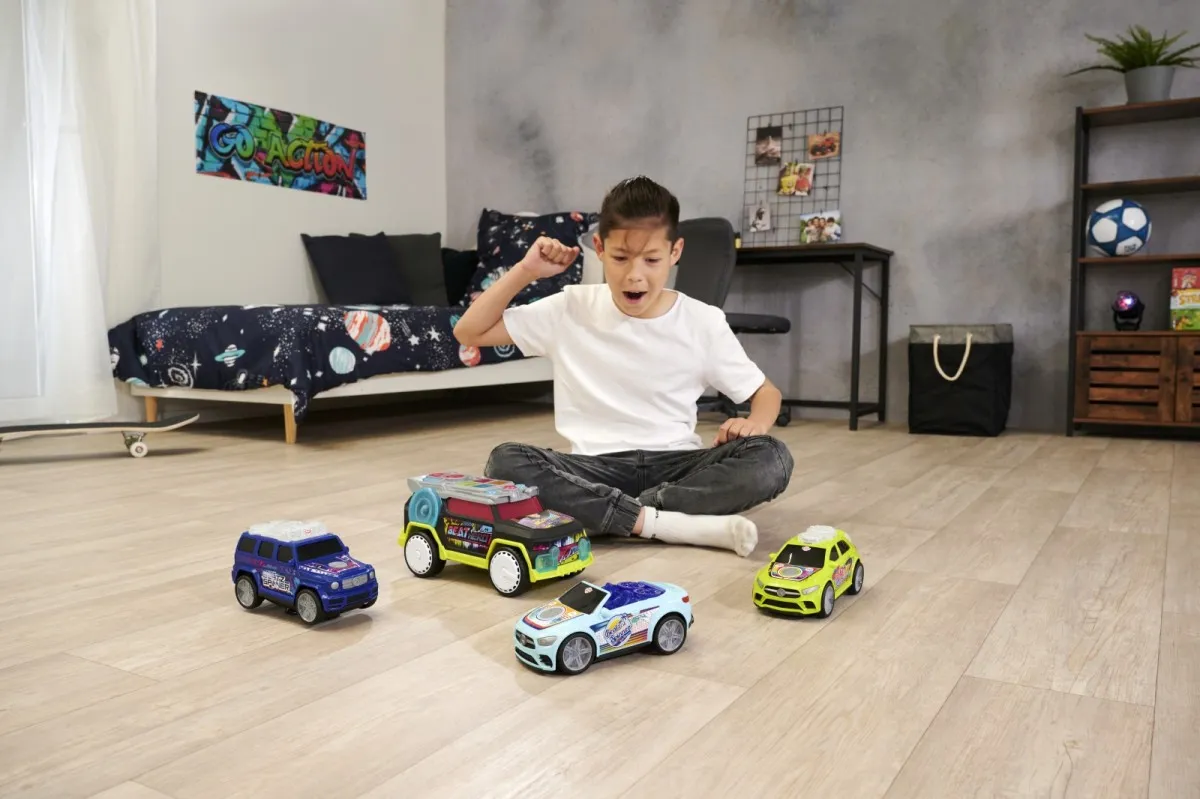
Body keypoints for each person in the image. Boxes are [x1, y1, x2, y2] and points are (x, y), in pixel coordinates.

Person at [453, 176, 794, 557]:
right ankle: (660, 523)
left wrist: (755, 423)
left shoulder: (703, 320)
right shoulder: (569, 307)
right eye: (620, 258)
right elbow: (469, 331)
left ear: (675, 251)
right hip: (592, 468)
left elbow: (766, 393)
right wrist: (526, 271)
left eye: (651, 260)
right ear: (599, 248)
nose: (635, 274)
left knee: (773, 457)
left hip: (678, 465)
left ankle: (614, 516)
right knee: (505, 461)